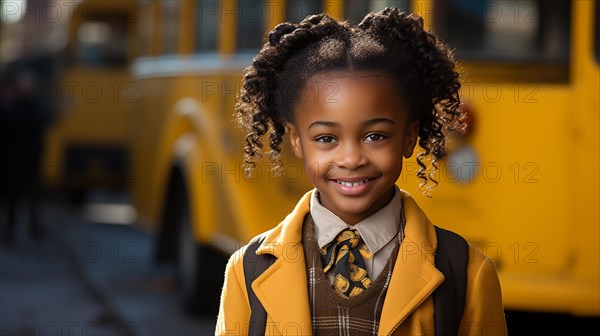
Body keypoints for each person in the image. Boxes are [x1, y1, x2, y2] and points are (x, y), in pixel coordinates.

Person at [216, 7, 507, 336]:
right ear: (296, 141)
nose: (352, 158)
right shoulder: (247, 269)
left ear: (409, 137)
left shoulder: (466, 272)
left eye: (375, 136)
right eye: (326, 138)